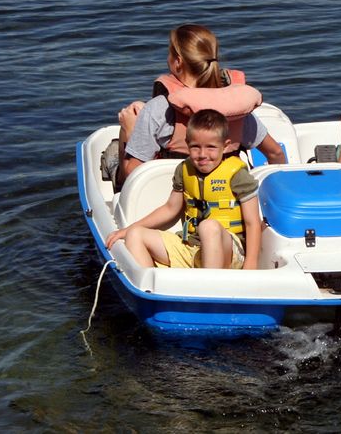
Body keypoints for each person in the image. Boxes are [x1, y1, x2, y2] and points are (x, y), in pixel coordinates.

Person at [114, 24, 285, 189]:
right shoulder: (235, 107)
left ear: (178, 62)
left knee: (132, 117)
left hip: (173, 195)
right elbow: (275, 153)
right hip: (228, 197)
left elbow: (132, 173)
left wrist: (129, 132)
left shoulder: (161, 108)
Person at [106, 109, 261, 270]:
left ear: (225, 146)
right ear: (187, 144)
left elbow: (253, 223)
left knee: (208, 227)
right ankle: (153, 288)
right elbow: (170, 208)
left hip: (229, 251)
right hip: (191, 247)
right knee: (135, 235)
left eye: (211, 147)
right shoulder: (184, 170)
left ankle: (211, 288)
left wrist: (251, 263)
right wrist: (127, 230)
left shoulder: (238, 176)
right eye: (195, 147)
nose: (202, 154)